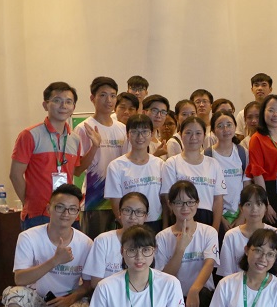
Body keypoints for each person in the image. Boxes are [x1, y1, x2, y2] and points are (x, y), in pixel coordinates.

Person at [3, 184, 93, 307]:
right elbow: (20, 278)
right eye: (59, 207)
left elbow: (88, 284)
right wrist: (54, 261)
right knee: (13, 295)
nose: (65, 213)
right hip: (38, 304)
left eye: (72, 209)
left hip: (69, 303)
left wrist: (70, 299)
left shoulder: (86, 243)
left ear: (77, 213)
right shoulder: (28, 237)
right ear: (48, 208)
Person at [155, 181, 219, 307]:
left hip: (200, 295)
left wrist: (194, 290)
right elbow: (164, 277)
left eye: (190, 202)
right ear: (170, 205)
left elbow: (209, 263)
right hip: (174, 298)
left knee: (203, 298)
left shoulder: (208, 232)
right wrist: (180, 248)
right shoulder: (162, 237)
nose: (185, 207)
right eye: (179, 202)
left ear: (197, 203)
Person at [10, 81, 83, 230]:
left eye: (68, 102)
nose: (63, 106)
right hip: (39, 213)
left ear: (73, 107)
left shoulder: (75, 139)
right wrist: (29, 203)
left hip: (68, 214)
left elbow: (72, 173)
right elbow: (15, 175)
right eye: (57, 100)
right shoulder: (30, 135)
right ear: (45, 105)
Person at [74, 76, 127, 240]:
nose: (109, 100)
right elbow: (77, 170)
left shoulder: (123, 129)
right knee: (94, 246)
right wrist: (95, 146)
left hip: (120, 200)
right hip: (95, 202)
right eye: (103, 95)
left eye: (112, 95)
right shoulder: (83, 128)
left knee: (120, 247)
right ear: (92, 98)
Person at [161, 116, 226, 231]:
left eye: (198, 133)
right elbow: (167, 197)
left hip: (208, 219)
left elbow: (218, 200)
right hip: (180, 217)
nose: (193, 137)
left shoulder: (213, 164)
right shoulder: (172, 163)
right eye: (188, 133)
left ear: (204, 136)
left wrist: (215, 229)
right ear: (181, 135)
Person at [105, 114, 163, 234]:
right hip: (129, 225)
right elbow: (116, 203)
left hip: (156, 223)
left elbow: (164, 200)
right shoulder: (116, 166)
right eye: (134, 132)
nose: (140, 136)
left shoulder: (160, 164)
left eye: (145, 132)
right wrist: (127, 227)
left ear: (152, 134)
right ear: (127, 135)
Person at [246, 94, 277, 234]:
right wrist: (266, 204)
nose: (275, 114)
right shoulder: (257, 138)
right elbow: (257, 173)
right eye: (271, 110)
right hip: (269, 191)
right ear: (263, 113)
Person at [217, 185, 277, 279]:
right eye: (248, 204)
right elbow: (227, 273)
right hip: (237, 285)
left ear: (266, 207)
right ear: (241, 208)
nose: (254, 209)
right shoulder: (231, 236)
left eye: (259, 204)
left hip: (269, 286)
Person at [83, 192, 149, 288]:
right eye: (127, 210)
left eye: (139, 212)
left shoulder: (150, 243)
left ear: (146, 216)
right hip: (108, 295)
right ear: (119, 213)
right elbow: (95, 282)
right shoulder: (103, 240)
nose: (133, 217)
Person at [206, 110, 250, 235]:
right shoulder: (207, 155)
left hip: (240, 214)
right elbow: (208, 191)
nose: (225, 129)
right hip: (216, 216)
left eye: (229, 124)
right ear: (213, 130)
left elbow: (247, 186)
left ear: (235, 126)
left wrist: (242, 216)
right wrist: (220, 218)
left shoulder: (242, 152)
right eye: (220, 126)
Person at [236, 73, 273, 140]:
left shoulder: (274, 114)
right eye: (256, 85)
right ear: (252, 89)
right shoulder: (242, 114)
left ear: (270, 89)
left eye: (264, 85)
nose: (260, 88)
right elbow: (239, 139)